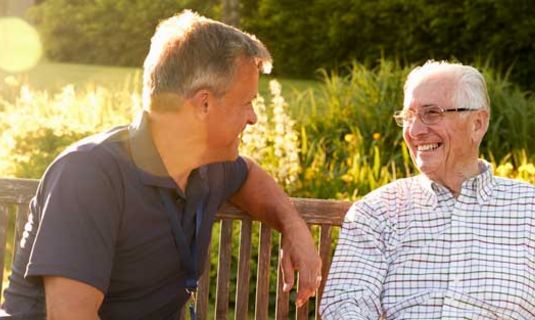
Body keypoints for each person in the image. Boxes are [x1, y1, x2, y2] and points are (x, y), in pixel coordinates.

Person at [1, 11, 321, 319]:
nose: (253, 117)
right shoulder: (88, 175)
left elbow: (248, 174)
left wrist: (294, 227)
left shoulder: (206, 166)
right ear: (204, 103)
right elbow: (70, 316)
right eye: (247, 102)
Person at [320, 61, 535, 319]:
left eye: (431, 114)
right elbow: (345, 305)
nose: (414, 130)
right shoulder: (377, 212)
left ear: (478, 123)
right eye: (408, 116)